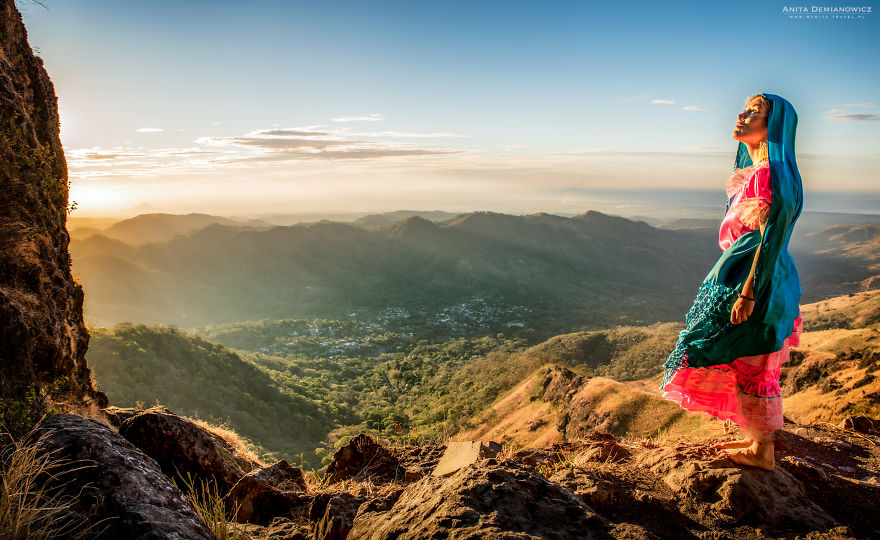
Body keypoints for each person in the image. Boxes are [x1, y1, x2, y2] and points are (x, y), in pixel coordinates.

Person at [659, 93, 804, 471]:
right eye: (746, 109)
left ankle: (763, 452)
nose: (742, 115)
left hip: (755, 279)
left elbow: (769, 238)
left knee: (753, 360)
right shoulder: (760, 171)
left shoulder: (771, 174)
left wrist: (748, 292)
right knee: (745, 356)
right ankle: (758, 437)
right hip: (747, 275)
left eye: (755, 112)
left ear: (773, 127)